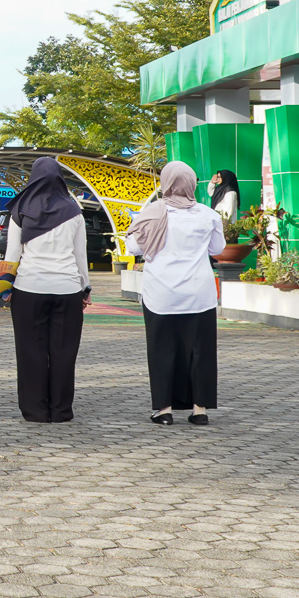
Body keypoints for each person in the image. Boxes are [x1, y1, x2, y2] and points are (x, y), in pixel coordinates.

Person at [124, 161, 222, 426]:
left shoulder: (152, 212)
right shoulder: (208, 214)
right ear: (192, 183)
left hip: (161, 295)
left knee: (161, 350)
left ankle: (164, 410)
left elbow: (132, 248)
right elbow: (217, 248)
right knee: (200, 351)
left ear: (165, 182)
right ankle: (199, 410)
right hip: (199, 294)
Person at [1, 156, 91, 423]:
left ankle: (36, 410)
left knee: (31, 351)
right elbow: (80, 256)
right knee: (64, 352)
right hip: (67, 289)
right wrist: (84, 288)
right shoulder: (74, 211)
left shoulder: (21, 209)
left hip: (29, 288)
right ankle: (61, 410)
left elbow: (12, 254)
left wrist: (5, 288)